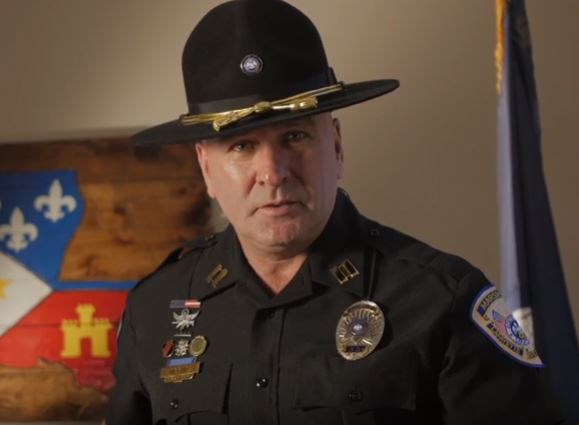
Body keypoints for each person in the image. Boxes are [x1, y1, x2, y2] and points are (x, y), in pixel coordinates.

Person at [106, 1, 563, 424]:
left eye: (295, 137)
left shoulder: (440, 300)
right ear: (206, 167)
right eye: (242, 147)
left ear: (337, 146)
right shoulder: (154, 311)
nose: (274, 173)